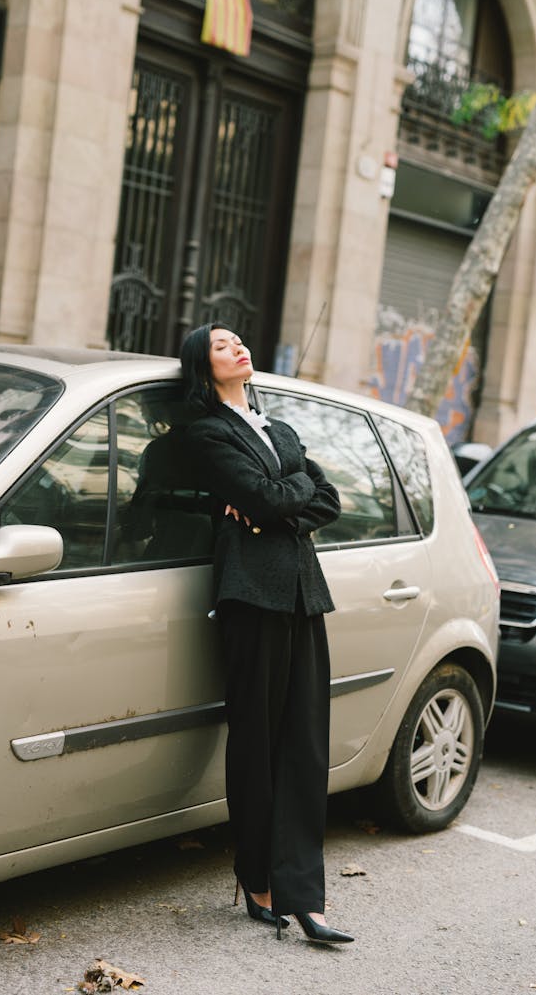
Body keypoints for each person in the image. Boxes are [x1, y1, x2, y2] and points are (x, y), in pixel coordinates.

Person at [180, 322, 354, 945]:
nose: (238, 347)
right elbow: (261, 495)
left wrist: (279, 502)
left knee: (305, 746)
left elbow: (327, 499)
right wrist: (276, 501)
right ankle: (257, 879)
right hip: (250, 596)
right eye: (222, 345)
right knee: (255, 743)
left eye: (238, 341)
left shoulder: (279, 431)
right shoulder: (205, 433)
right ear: (204, 366)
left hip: (305, 593)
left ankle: (306, 897)